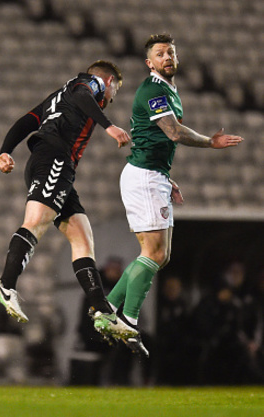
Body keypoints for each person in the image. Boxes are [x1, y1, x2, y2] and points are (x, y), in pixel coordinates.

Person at [94, 34, 244, 356]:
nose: (167, 57)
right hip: (144, 177)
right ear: (150, 63)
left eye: (171, 52)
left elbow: (158, 140)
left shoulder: (169, 91)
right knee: (155, 253)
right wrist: (210, 142)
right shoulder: (152, 90)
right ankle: (128, 322)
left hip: (152, 175)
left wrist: (166, 175)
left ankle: (106, 312)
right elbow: (172, 131)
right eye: (160, 54)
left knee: (161, 254)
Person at [0, 61, 132, 329]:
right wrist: (109, 126)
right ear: (109, 81)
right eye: (115, 92)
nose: (111, 99)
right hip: (54, 158)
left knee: (81, 234)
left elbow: (27, 121)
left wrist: (5, 150)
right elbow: (83, 95)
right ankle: (6, 284)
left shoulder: (57, 96)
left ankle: (102, 310)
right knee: (36, 221)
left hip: (51, 161)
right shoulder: (88, 85)